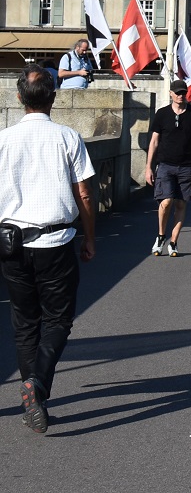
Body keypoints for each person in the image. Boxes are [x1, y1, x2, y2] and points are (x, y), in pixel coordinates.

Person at [0, 67, 96, 433]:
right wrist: (89, 238)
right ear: (53, 97)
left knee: (25, 324)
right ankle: (37, 385)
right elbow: (85, 194)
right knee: (57, 320)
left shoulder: (3, 139)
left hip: (11, 244)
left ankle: (33, 395)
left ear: (20, 98)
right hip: (55, 242)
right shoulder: (67, 138)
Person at [145, 79, 191, 257]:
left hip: (187, 165)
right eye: (177, 93)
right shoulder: (162, 114)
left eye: (183, 93)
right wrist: (149, 167)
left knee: (180, 203)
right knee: (166, 202)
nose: (181, 96)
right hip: (165, 164)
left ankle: (173, 242)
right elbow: (154, 141)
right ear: (171, 94)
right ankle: (161, 236)